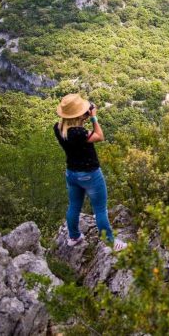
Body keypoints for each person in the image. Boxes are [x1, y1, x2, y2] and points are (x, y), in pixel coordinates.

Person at [54, 93, 127, 251]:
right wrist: (93, 117)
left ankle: (74, 237)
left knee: (74, 206)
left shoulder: (58, 128)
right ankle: (110, 242)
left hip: (72, 173)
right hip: (90, 174)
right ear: (79, 114)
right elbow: (100, 136)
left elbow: (74, 129)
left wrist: (83, 117)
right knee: (100, 209)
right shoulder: (78, 134)